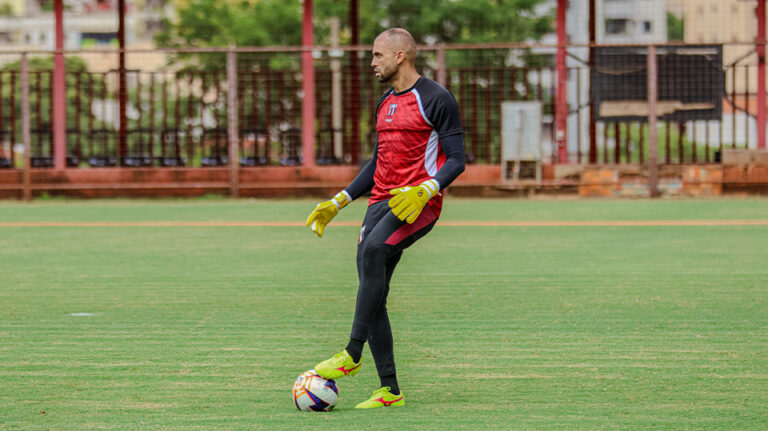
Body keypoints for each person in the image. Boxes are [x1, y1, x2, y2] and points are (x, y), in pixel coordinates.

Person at [305, 28, 465, 409]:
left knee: (374, 252)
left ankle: (351, 353)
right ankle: (390, 391)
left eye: (377, 55)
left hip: (415, 204)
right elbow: (379, 162)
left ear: (400, 56)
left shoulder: (436, 98)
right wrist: (340, 199)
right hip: (379, 204)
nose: (372, 62)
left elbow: (457, 160)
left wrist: (427, 189)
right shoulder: (384, 103)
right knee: (372, 289)